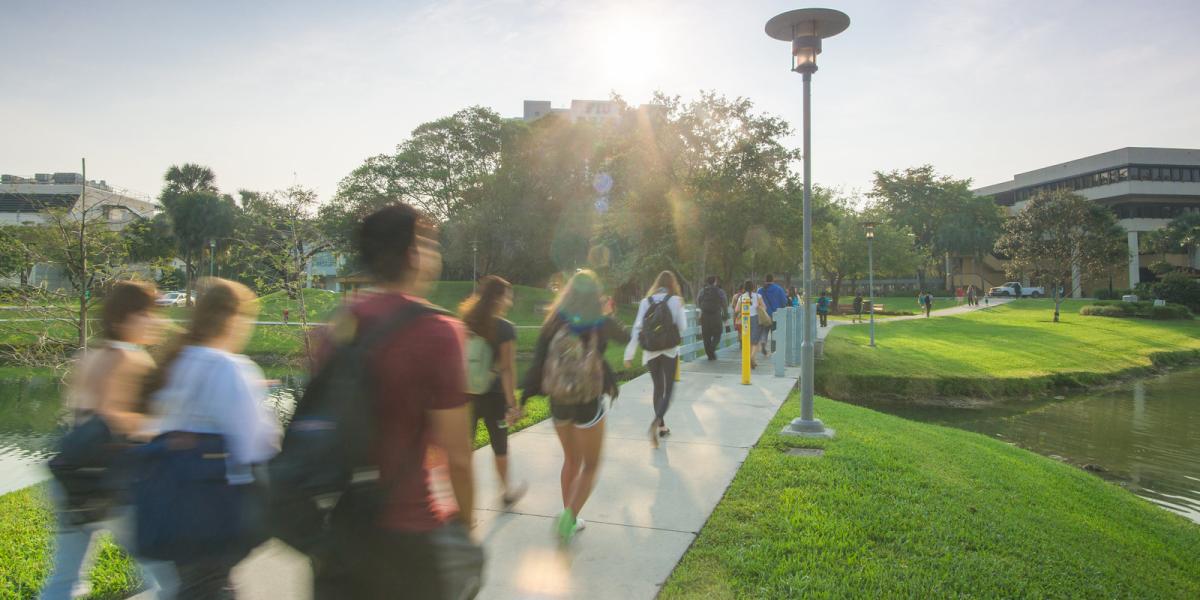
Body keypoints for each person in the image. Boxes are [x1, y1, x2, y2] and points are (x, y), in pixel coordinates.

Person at [311, 204, 479, 599]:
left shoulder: (337, 327)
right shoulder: (437, 331)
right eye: (429, 243)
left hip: (341, 534)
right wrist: (466, 530)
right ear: (414, 254)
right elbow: (457, 455)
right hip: (410, 537)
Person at [141, 278, 281, 598]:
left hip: (171, 503)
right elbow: (255, 443)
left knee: (198, 586)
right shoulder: (229, 367)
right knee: (211, 587)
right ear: (233, 319)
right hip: (212, 509)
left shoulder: (178, 359)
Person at [41, 282, 175, 600]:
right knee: (169, 575)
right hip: (113, 484)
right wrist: (167, 426)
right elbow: (114, 419)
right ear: (121, 319)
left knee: (66, 580)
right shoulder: (129, 358)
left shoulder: (92, 354)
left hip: (71, 476)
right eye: (146, 314)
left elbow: (81, 414)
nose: (156, 321)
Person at [523, 270, 629, 545]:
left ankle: (569, 515)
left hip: (558, 400)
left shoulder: (554, 321)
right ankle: (568, 517)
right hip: (586, 401)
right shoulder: (599, 321)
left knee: (571, 459)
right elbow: (625, 337)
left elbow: (537, 364)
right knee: (591, 465)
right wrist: (607, 312)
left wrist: (522, 399)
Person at [460, 275, 526, 506]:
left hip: (466, 394)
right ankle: (506, 492)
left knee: (465, 448)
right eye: (508, 295)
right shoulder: (505, 328)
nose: (509, 300)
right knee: (500, 446)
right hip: (494, 397)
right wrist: (512, 404)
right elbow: (507, 369)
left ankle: (462, 500)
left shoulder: (466, 321)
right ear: (498, 297)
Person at [625, 271, 688, 448]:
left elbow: (637, 328)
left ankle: (661, 426)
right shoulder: (676, 301)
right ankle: (656, 422)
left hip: (651, 351)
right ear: (672, 284)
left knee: (657, 388)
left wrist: (629, 355)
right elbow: (683, 326)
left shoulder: (646, 302)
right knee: (668, 390)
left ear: (656, 283)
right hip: (669, 350)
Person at [730, 281, 765, 369]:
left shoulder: (742, 297)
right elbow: (764, 307)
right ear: (753, 288)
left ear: (744, 288)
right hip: (756, 319)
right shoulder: (758, 296)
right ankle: (752, 357)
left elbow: (737, 310)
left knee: (748, 340)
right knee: (756, 341)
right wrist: (758, 307)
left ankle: (750, 359)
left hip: (745, 320)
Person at [695, 275, 728, 361]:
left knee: (706, 336)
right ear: (715, 282)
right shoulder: (720, 291)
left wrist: (701, 309)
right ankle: (712, 349)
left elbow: (698, 301)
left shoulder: (702, 291)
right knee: (718, 333)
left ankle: (710, 355)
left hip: (705, 316)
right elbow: (724, 303)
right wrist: (725, 315)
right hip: (716, 315)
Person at [756, 274, 788, 358]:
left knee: (764, 331)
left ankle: (763, 343)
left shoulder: (760, 290)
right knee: (775, 333)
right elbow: (784, 302)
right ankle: (774, 350)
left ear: (765, 280)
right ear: (773, 279)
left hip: (764, 315)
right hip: (776, 315)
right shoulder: (779, 289)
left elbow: (757, 302)